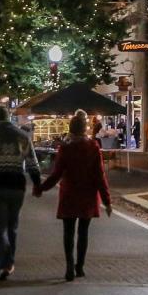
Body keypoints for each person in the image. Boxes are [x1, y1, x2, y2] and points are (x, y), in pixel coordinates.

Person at [39, 110, 112, 281]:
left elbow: (56, 174)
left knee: (68, 232)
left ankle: (69, 266)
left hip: (70, 193)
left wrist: (41, 188)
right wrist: (107, 201)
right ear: (84, 129)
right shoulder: (93, 147)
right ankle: (80, 266)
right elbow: (99, 175)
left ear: (71, 129)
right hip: (87, 194)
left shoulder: (65, 148)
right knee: (83, 232)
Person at [0, 105, 42, 281]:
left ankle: (2, 265)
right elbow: (32, 163)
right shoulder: (22, 136)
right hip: (16, 185)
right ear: (8, 117)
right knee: (12, 226)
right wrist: (37, 184)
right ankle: (10, 262)